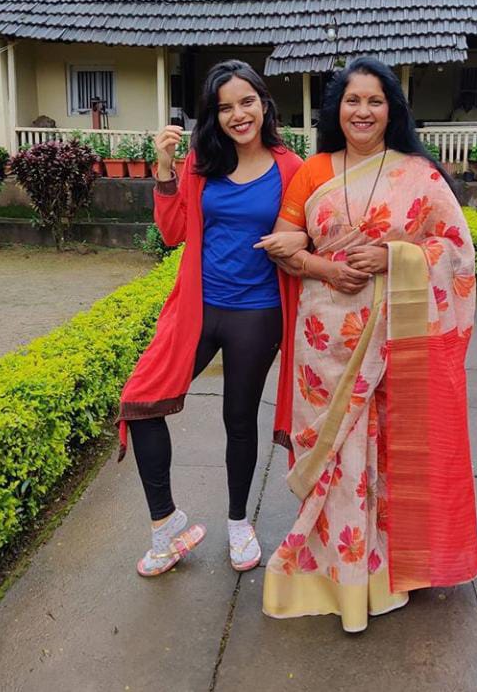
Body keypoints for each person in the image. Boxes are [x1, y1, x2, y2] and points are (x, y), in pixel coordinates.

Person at [256, 58, 477, 633]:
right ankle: (331, 573)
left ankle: (389, 573)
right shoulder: (312, 172)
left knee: (391, 456)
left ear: (392, 111)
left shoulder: (420, 176)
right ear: (336, 108)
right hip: (324, 343)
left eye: (375, 101)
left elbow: (457, 253)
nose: (362, 111)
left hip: (396, 342)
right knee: (336, 456)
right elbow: (284, 244)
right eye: (352, 100)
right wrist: (325, 269)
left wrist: (393, 257)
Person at [117, 60, 304, 578]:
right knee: (140, 400)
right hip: (199, 308)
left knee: (239, 420)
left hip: (258, 313)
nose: (238, 114)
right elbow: (174, 232)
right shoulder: (203, 161)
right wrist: (163, 169)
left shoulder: (291, 168)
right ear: (213, 116)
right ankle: (167, 525)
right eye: (225, 107)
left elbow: (311, 229)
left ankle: (239, 522)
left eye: (247, 102)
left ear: (264, 104)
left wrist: (298, 240)